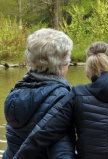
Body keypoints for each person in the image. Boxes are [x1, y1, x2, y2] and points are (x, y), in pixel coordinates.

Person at [3, 28, 75, 159]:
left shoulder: (14, 94)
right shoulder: (63, 97)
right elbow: (62, 152)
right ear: (62, 64)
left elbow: (14, 143)